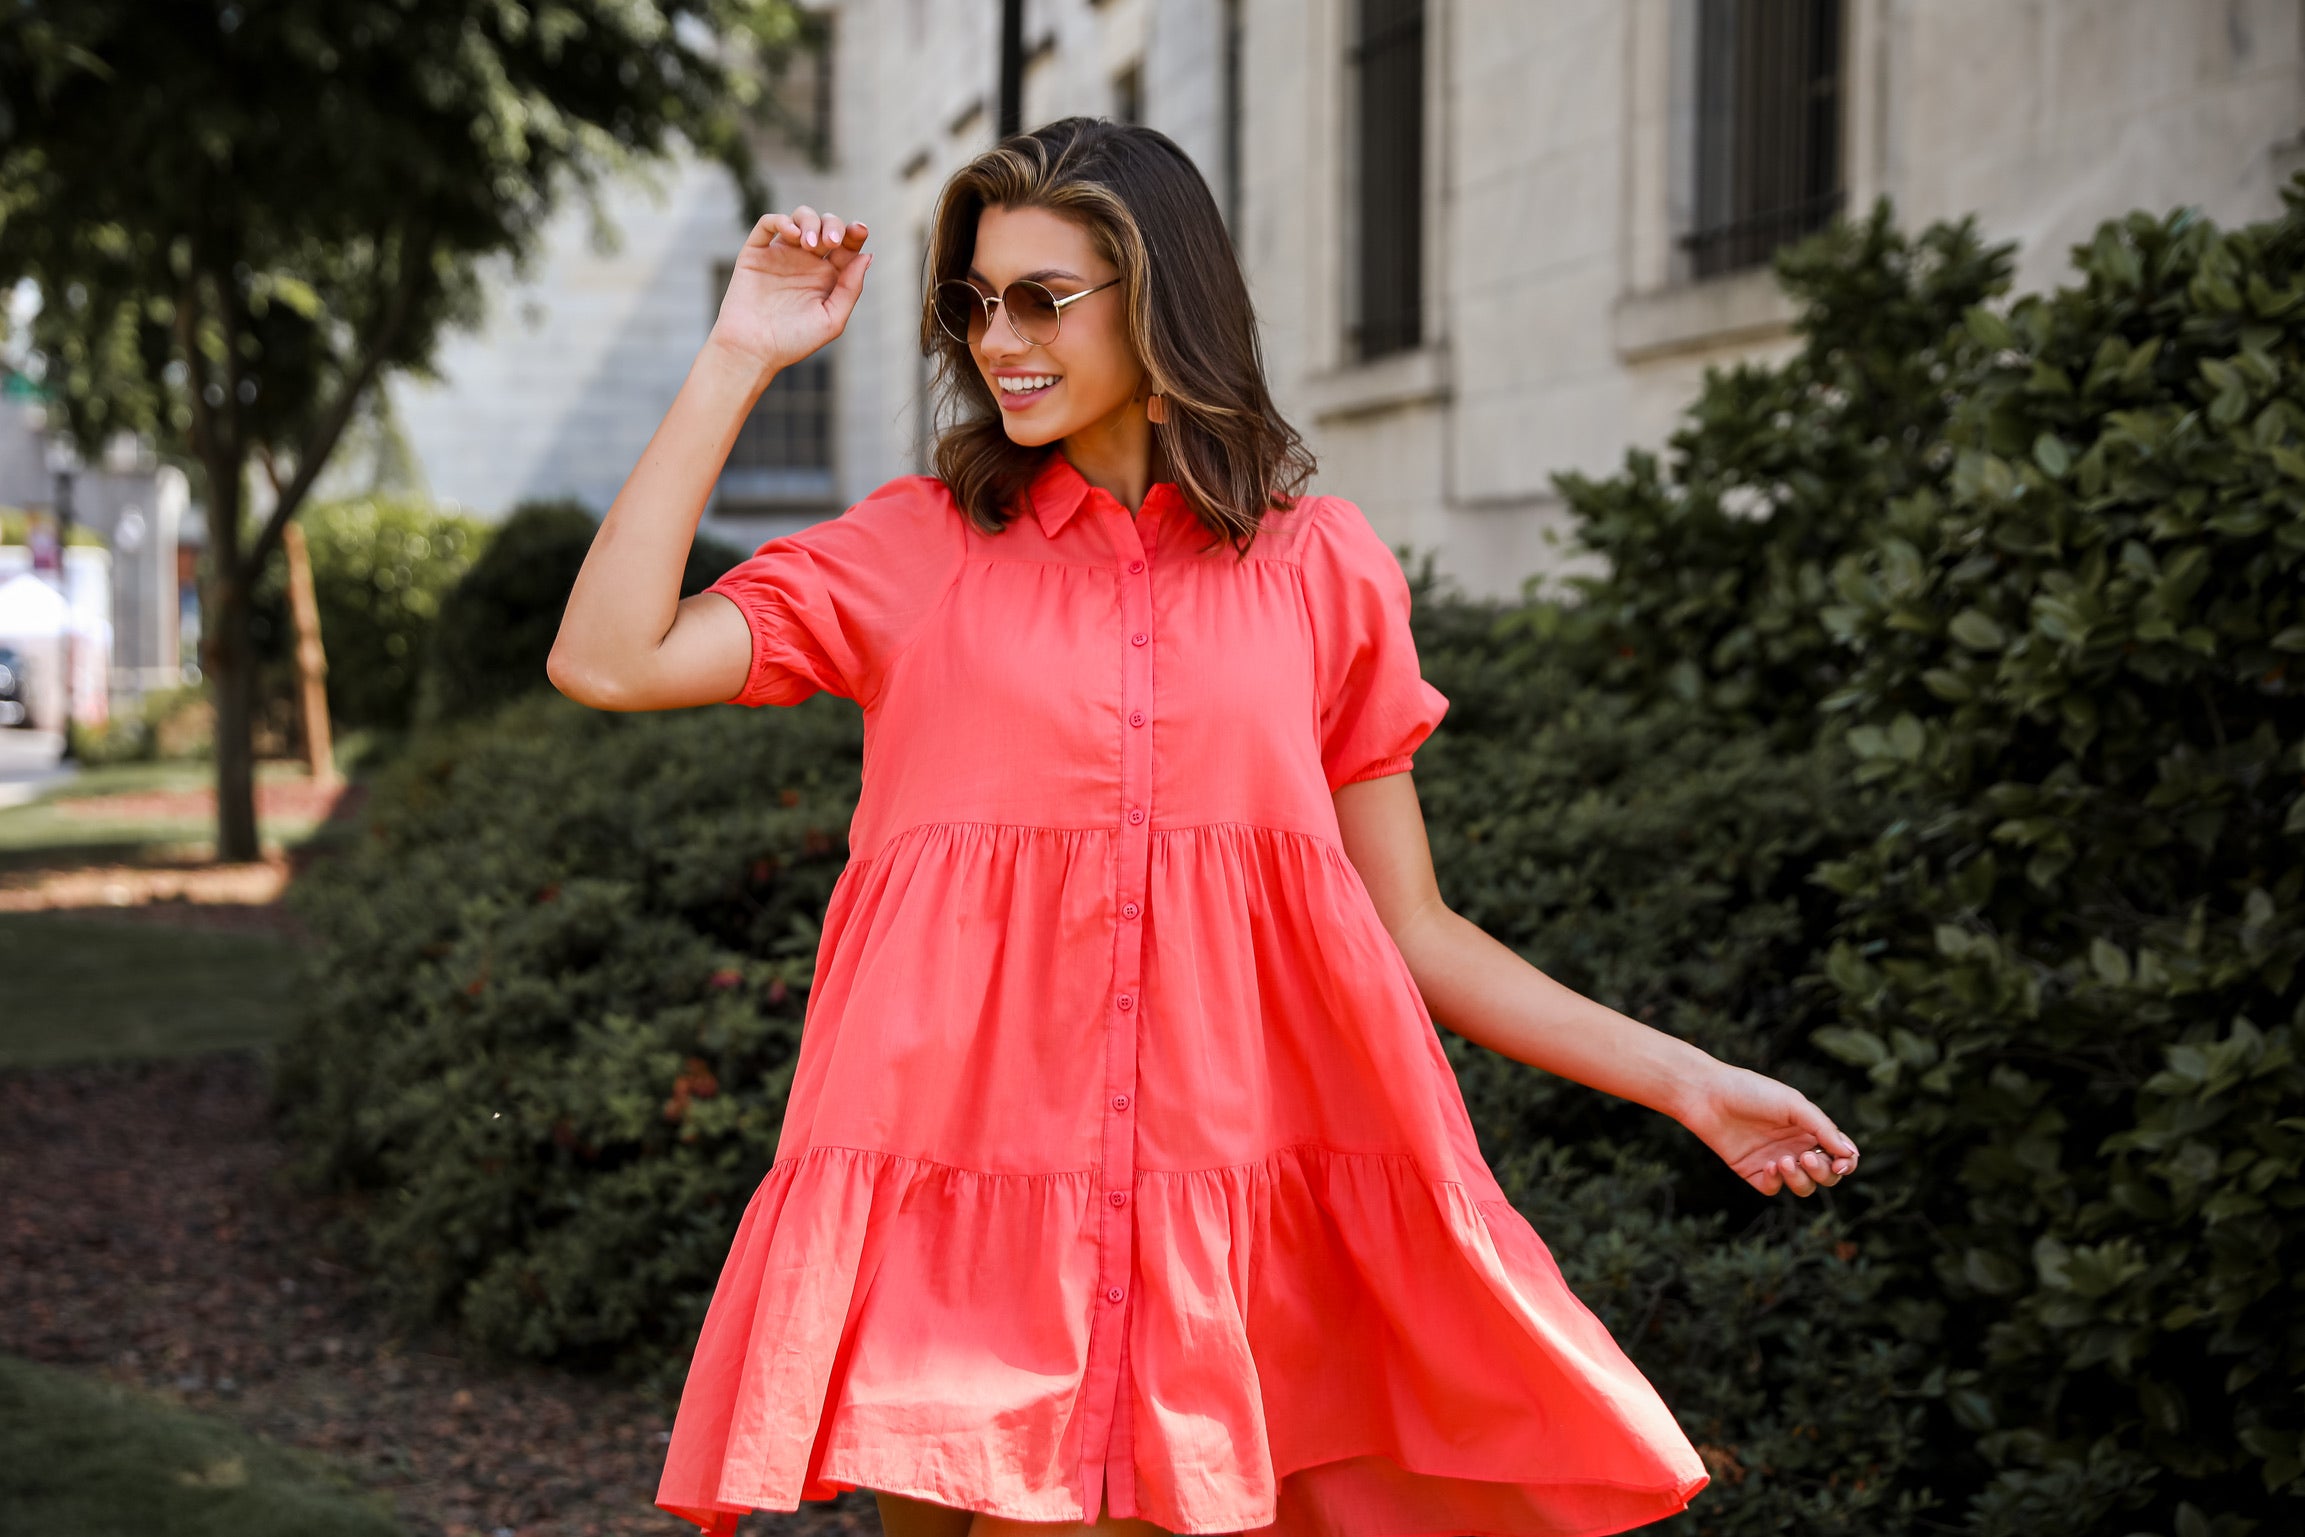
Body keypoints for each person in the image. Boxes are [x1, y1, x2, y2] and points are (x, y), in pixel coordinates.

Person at [548, 116, 1858, 1537]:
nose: (998, 340)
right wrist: (740, 351)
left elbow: (1409, 928)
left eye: (1043, 297)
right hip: (943, 1231)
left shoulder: (1319, 570)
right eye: (974, 302)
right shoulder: (913, 549)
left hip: (1194, 1248)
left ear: (1161, 297)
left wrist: (1683, 1079)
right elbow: (610, 658)